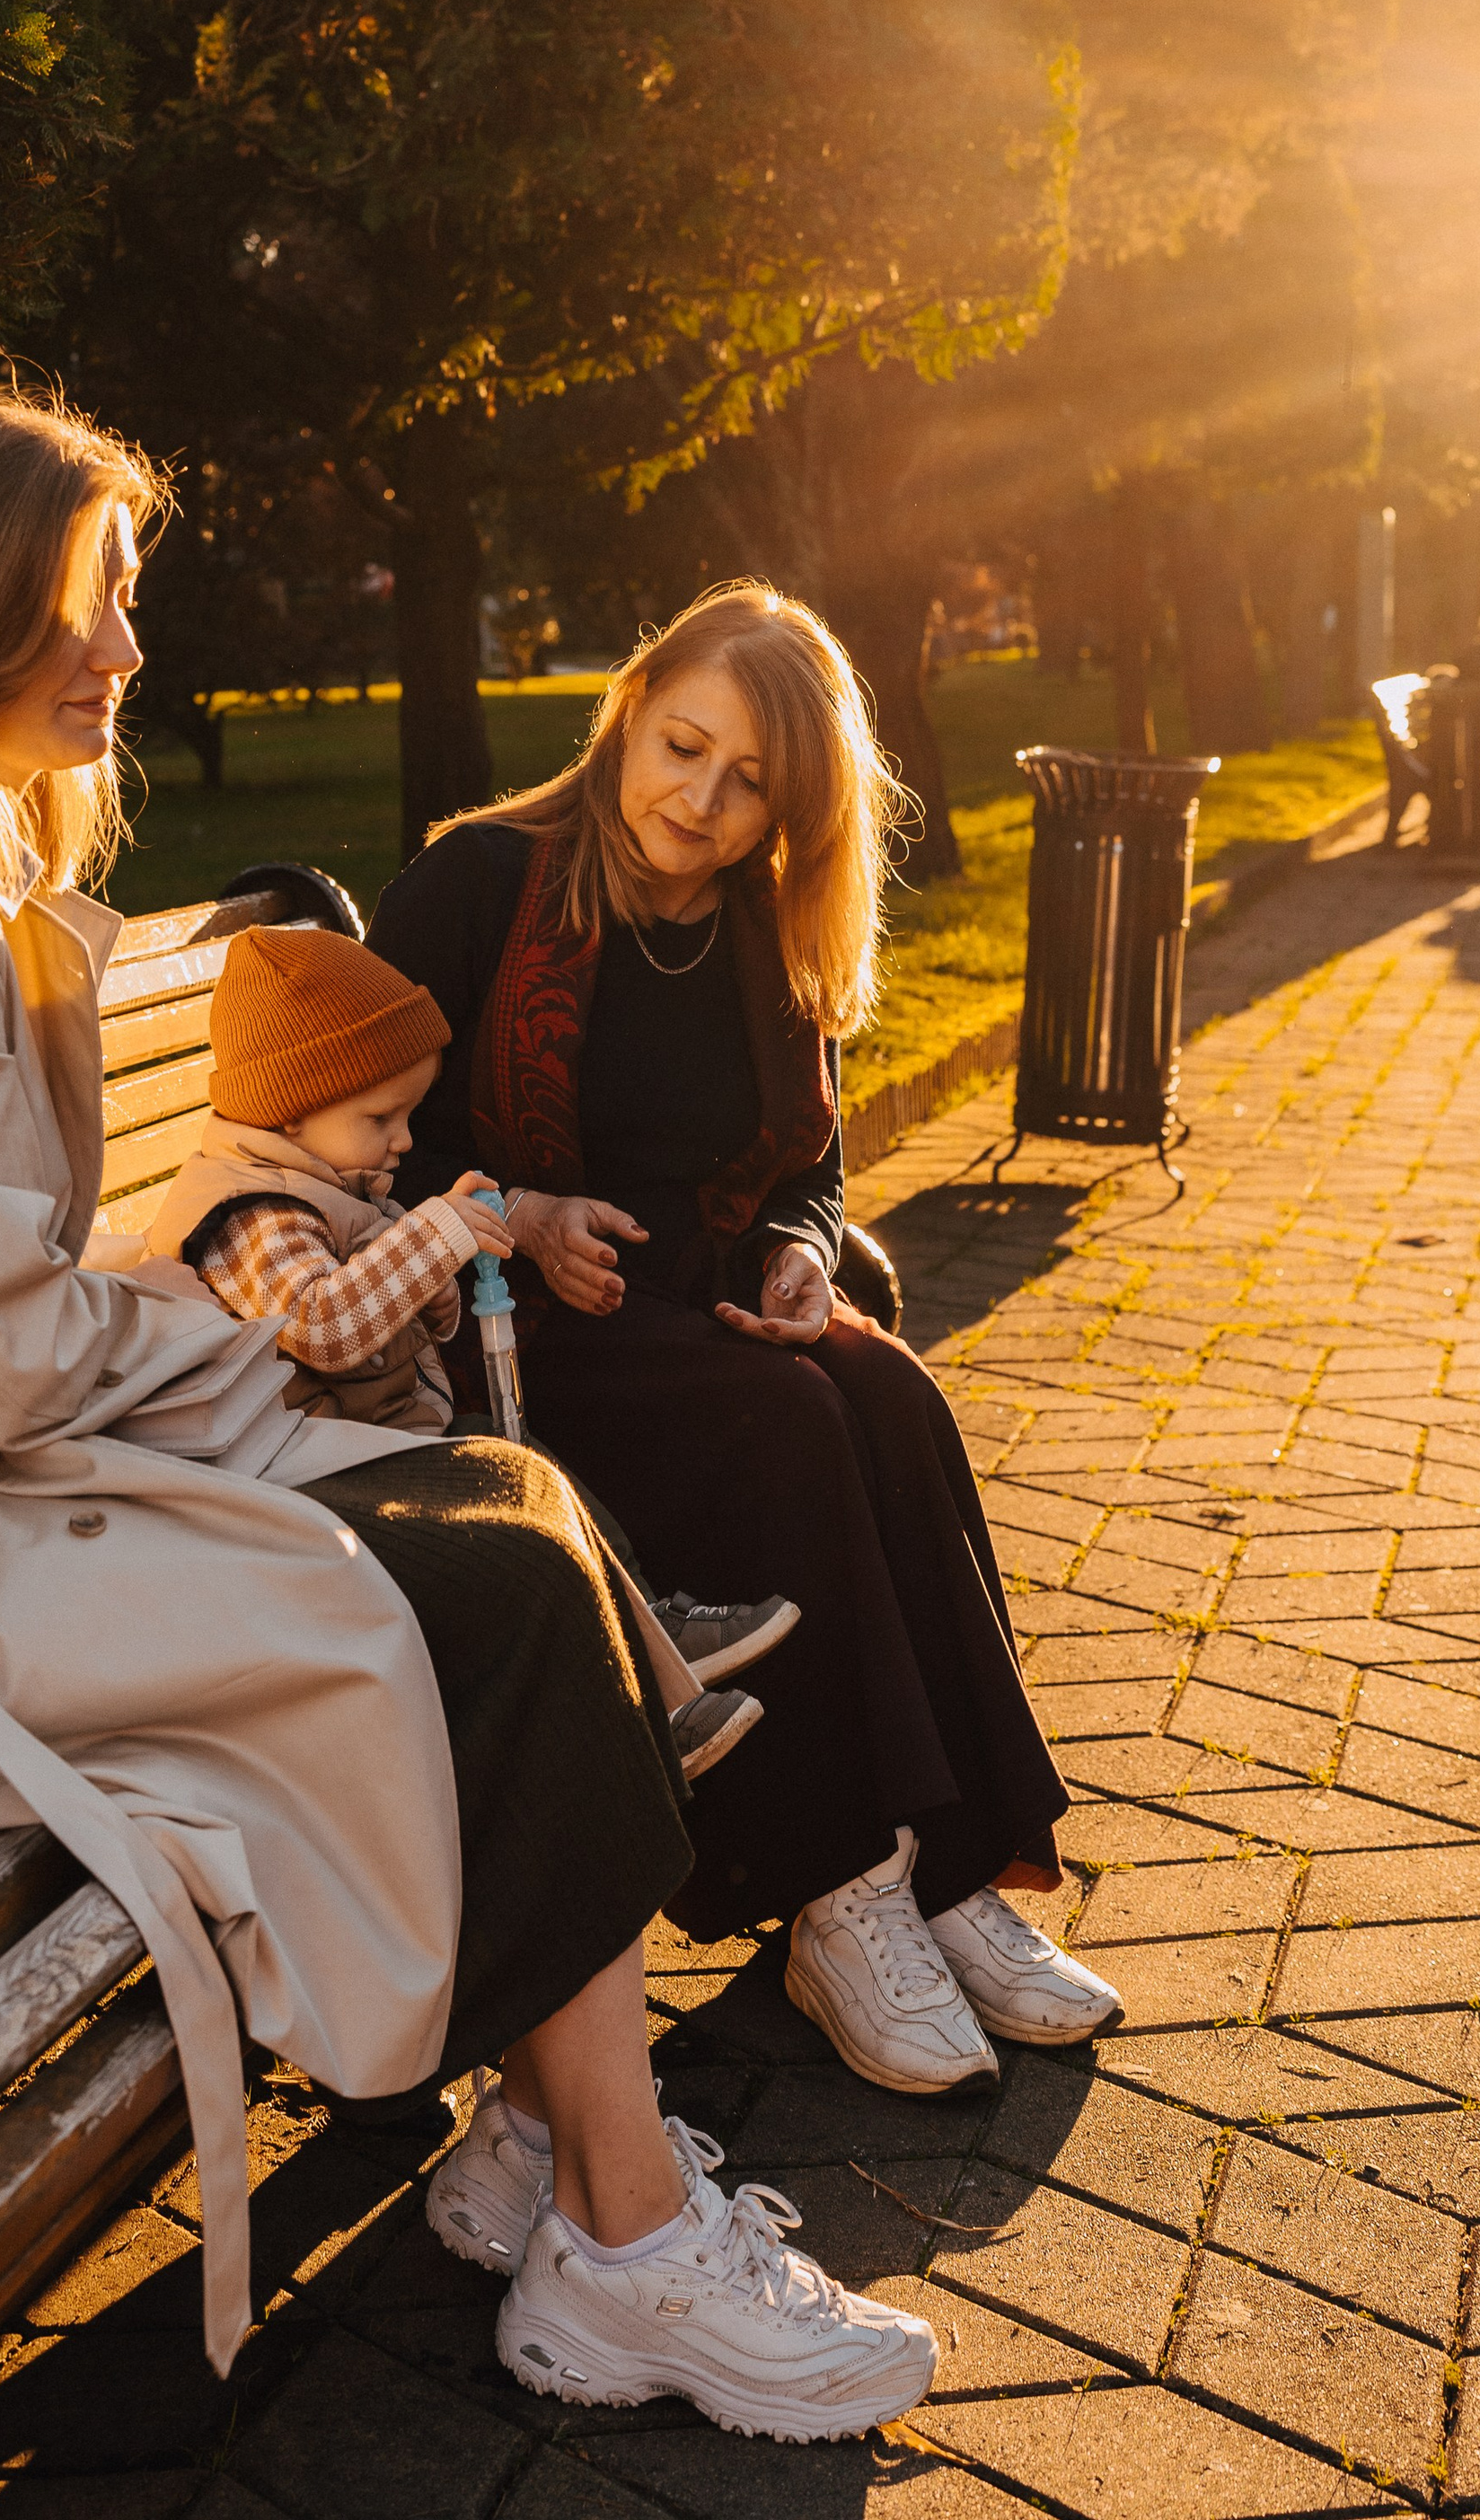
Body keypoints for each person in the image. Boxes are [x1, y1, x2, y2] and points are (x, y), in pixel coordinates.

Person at [0, 399, 938, 2439]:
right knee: (486, 1581)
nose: (124, 649)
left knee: (503, 1504)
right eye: (93, 603)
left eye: (123, 603)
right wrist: (250, 1354)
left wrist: (220, 1353)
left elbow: (7, 1324)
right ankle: (617, 2223)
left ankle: (574, 2171)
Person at [369, 581, 1122, 2095]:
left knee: (885, 1394)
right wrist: (517, 1207)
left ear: (795, 802)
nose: (698, 801)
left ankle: (945, 1866)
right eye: (682, 746)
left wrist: (800, 1246)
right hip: (518, 1333)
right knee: (788, 1427)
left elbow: (812, 1161)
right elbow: (364, 1142)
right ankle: (839, 1889)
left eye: (748, 780)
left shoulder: (768, 918)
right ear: (631, 707)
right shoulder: (483, 879)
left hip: (708, 1308)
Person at [127, 918, 775, 1779]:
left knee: (537, 1468)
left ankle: (653, 1634)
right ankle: (650, 1699)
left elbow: (385, 1322)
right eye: (380, 1116)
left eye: (407, 1114)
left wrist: (428, 1291)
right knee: (518, 1493)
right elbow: (319, 1328)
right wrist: (427, 1240)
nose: (402, 1140)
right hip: (303, 1473)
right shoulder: (251, 1214)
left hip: (376, 1439)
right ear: (291, 1107)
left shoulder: (331, 1182)